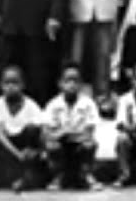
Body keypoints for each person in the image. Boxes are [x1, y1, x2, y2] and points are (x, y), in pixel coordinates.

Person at [0, 66, 47, 191]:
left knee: (32, 131)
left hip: (24, 147)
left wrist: (35, 151)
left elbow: (39, 132)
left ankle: (25, 178)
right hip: (5, 150)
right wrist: (17, 154)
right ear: (1, 85)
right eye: (7, 83)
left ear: (23, 85)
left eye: (15, 82)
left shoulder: (32, 106)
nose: (10, 86)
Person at [41, 62, 102, 191]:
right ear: (60, 83)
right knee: (51, 146)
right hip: (61, 145)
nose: (72, 85)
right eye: (67, 81)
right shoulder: (53, 104)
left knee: (90, 144)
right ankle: (58, 177)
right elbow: (47, 132)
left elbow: (89, 132)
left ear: (81, 84)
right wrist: (61, 133)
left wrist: (71, 133)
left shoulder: (88, 104)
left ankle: (86, 175)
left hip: (79, 145)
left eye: (75, 81)